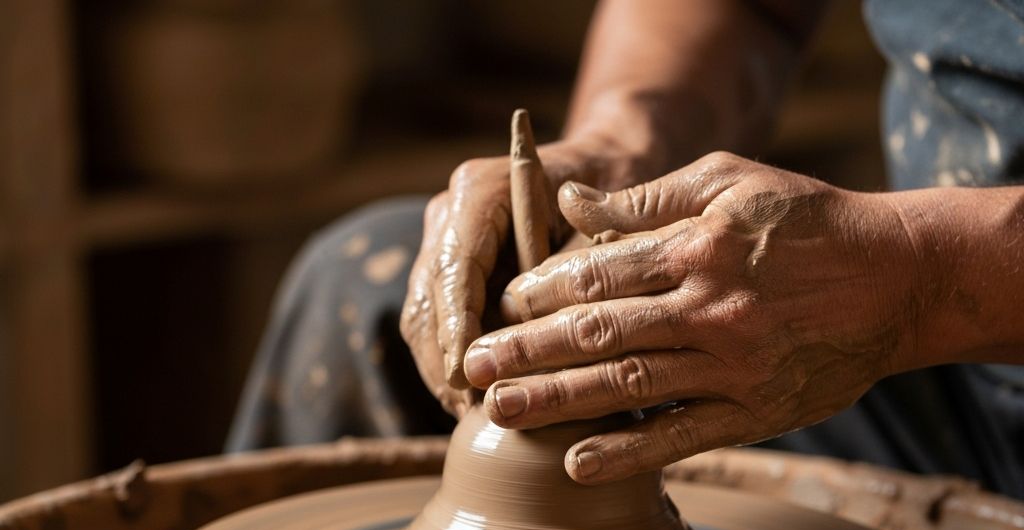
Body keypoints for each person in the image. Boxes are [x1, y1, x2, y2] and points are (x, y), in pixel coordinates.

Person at [228, 0, 1024, 499]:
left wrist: (917, 276)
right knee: (366, 285)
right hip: (935, 384)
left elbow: (917, 278)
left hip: (962, 313)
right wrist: (628, 139)